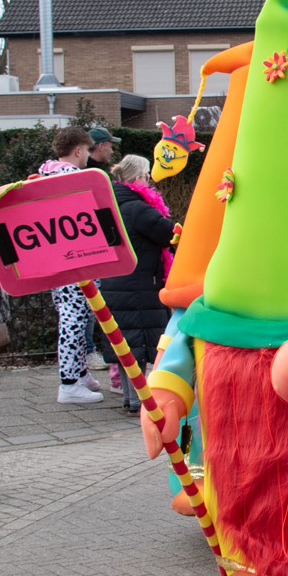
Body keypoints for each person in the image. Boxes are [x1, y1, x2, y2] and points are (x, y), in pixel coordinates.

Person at [97, 155, 175, 412]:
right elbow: (170, 234)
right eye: (147, 176)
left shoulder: (108, 205)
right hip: (140, 286)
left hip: (114, 284)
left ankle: (130, 399)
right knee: (139, 344)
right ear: (139, 178)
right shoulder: (139, 209)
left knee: (124, 343)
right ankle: (140, 402)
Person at [41, 127, 105, 403]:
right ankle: (69, 383)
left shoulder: (45, 175)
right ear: (78, 150)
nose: (88, 156)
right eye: (87, 150)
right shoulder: (72, 178)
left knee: (73, 315)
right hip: (76, 258)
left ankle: (78, 374)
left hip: (57, 258)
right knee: (73, 319)